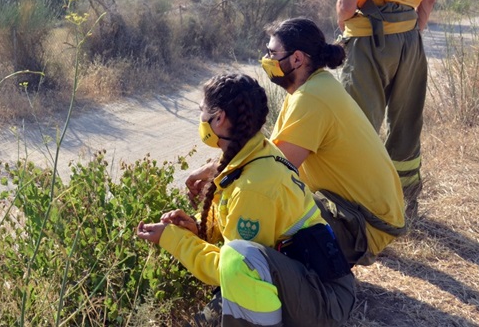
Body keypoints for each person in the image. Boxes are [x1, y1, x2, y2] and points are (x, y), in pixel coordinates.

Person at [137, 73, 354, 327]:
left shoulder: (255, 186)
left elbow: (233, 266)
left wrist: (172, 238)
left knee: (238, 264)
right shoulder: (255, 152)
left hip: (325, 304)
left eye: (201, 111)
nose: (200, 118)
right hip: (312, 285)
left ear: (218, 119)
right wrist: (197, 228)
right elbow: (238, 227)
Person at [330, 0, 436, 216]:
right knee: (407, 125)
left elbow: (347, 2)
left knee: (359, 126)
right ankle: (405, 205)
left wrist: (342, 29)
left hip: (368, 41)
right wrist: (411, 33)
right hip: (409, 39)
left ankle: (359, 210)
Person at [263, 17, 407, 266]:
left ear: (297, 59)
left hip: (365, 225)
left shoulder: (311, 98)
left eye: (272, 53)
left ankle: (320, 287)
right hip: (366, 215)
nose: (266, 59)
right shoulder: (313, 86)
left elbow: (273, 171)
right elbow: (269, 151)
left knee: (264, 211)